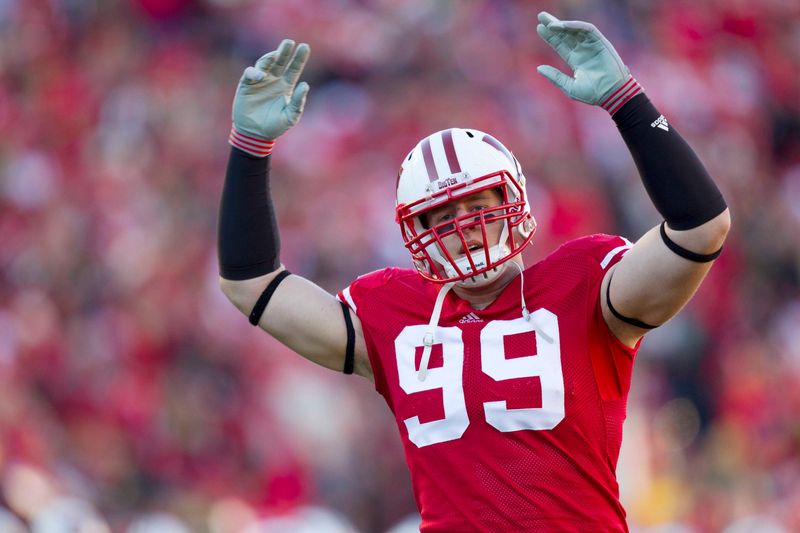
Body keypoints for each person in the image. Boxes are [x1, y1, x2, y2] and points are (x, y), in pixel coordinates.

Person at [217, 11, 730, 532]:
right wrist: (250, 148)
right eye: (442, 217)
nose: (464, 227)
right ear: (416, 232)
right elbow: (252, 283)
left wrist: (626, 100)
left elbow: (700, 228)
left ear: (514, 202)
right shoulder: (395, 312)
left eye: (478, 206)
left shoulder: (583, 284)